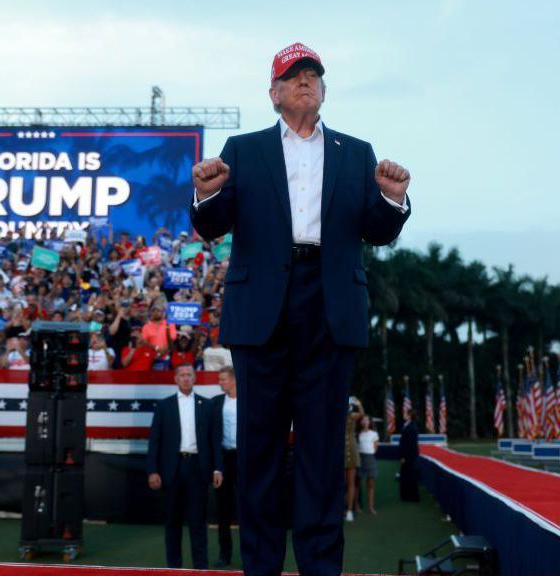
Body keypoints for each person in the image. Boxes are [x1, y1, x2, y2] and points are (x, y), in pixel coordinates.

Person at [189, 42, 412, 576]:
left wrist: (391, 198)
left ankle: (320, 569)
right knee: (260, 455)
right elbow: (213, 224)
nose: (305, 82)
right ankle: (260, 568)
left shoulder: (356, 154)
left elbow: (377, 233)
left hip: (330, 308)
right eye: (293, 76)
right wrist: (205, 193)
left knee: (321, 458)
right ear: (274, 94)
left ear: (324, 90)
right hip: (262, 308)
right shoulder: (243, 150)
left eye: (313, 75)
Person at [146, 364, 223, 569]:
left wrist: (218, 469)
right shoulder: (164, 406)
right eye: (182, 375)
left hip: (198, 469)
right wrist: (152, 470)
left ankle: (200, 568)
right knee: (173, 522)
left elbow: (215, 440)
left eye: (189, 375)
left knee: (198, 522)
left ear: (195, 378)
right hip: (172, 469)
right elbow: (155, 441)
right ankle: (174, 567)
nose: (186, 378)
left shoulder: (208, 406)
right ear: (175, 379)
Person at [212, 365, 238, 567]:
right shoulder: (216, 403)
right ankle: (225, 553)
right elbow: (213, 439)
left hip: (244, 461)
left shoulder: (249, 401)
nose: (220, 383)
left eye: (223, 379)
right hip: (224, 461)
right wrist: (217, 468)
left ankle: (251, 553)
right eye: (219, 379)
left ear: (234, 380)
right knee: (223, 512)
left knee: (248, 509)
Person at [344, 396, 363, 522]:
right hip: (338, 451)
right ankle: (341, 509)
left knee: (351, 482)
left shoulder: (351, 416)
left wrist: (359, 403)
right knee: (341, 484)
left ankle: (350, 510)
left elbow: (361, 414)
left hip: (351, 449)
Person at [357, 415, 379, 514]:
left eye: (367, 420)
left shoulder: (374, 433)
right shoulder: (357, 434)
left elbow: (375, 448)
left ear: (369, 422)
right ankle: (356, 506)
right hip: (360, 459)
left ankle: (371, 507)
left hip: (370, 459)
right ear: (361, 422)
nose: (365, 422)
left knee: (370, 485)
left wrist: (369, 452)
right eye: (363, 420)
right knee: (357, 484)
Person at [398, 408, 420, 502]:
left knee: (410, 475)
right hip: (407, 454)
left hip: (410, 455)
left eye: (406, 414)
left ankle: (412, 496)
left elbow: (410, 443)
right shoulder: (406, 425)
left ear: (409, 416)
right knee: (405, 475)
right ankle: (406, 495)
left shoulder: (412, 427)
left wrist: (404, 456)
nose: (404, 415)